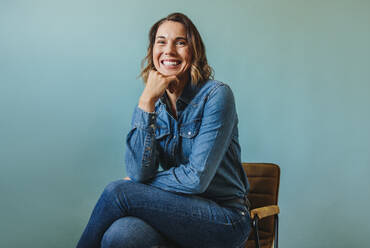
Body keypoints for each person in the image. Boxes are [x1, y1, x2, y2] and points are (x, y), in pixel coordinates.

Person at [77, 12, 251, 248]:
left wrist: (136, 187)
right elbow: (139, 173)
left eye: (180, 42)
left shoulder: (216, 95)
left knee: (118, 192)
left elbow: (195, 180)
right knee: (120, 235)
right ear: (152, 52)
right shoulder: (154, 104)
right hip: (173, 215)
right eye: (161, 42)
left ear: (194, 52)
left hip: (225, 220)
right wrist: (146, 102)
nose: (169, 50)